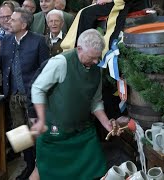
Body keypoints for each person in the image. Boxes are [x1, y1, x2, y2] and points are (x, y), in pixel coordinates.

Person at [30, 29, 121, 179]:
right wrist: (40, 119)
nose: (96, 62)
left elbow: (96, 101)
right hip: (55, 132)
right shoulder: (60, 63)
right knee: (43, 171)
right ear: (79, 49)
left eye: (98, 58)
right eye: (92, 57)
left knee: (97, 170)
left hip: (83, 132)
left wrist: (106, 124)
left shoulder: (96, 68)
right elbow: (37, 88)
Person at [0, 8, 49, 180]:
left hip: (34, 97)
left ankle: (40, 168)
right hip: (13, 96)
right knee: (20, 134)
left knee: (37, 134)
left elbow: (45, 70)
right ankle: (29, 166)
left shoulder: (39, 41)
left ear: (23, 24)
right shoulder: (6, 40)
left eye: (13, 20)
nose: (8, 22)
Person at [60, 0, 145, 54]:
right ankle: (79, 48)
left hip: (127, 2)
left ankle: (85, 50)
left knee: (87, 14)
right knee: (83, 12)